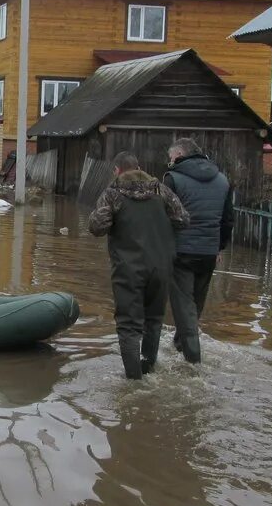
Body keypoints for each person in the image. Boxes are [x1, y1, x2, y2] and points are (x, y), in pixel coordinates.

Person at [87, 152, 189, 380]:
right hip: (161, 267)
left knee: (128, 326)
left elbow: (96, 227)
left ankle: (134, 381)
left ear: (117, 171)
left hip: (128, 270)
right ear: (140, 168)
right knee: (153, 320)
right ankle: (148, 369)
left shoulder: (112, 194)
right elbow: (183, 219)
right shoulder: (162, 191)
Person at [163, 138, 234, 364]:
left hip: (180, 252)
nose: (169, 162)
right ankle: (179, 344)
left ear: (180, 156)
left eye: (171, 158)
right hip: (208, 253)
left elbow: (162, 216)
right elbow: (228, 220)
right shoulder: (222, 180)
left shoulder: (172, 178)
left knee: (183, 306)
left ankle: (193, 361)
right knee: (195, 304)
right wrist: (219, 247)